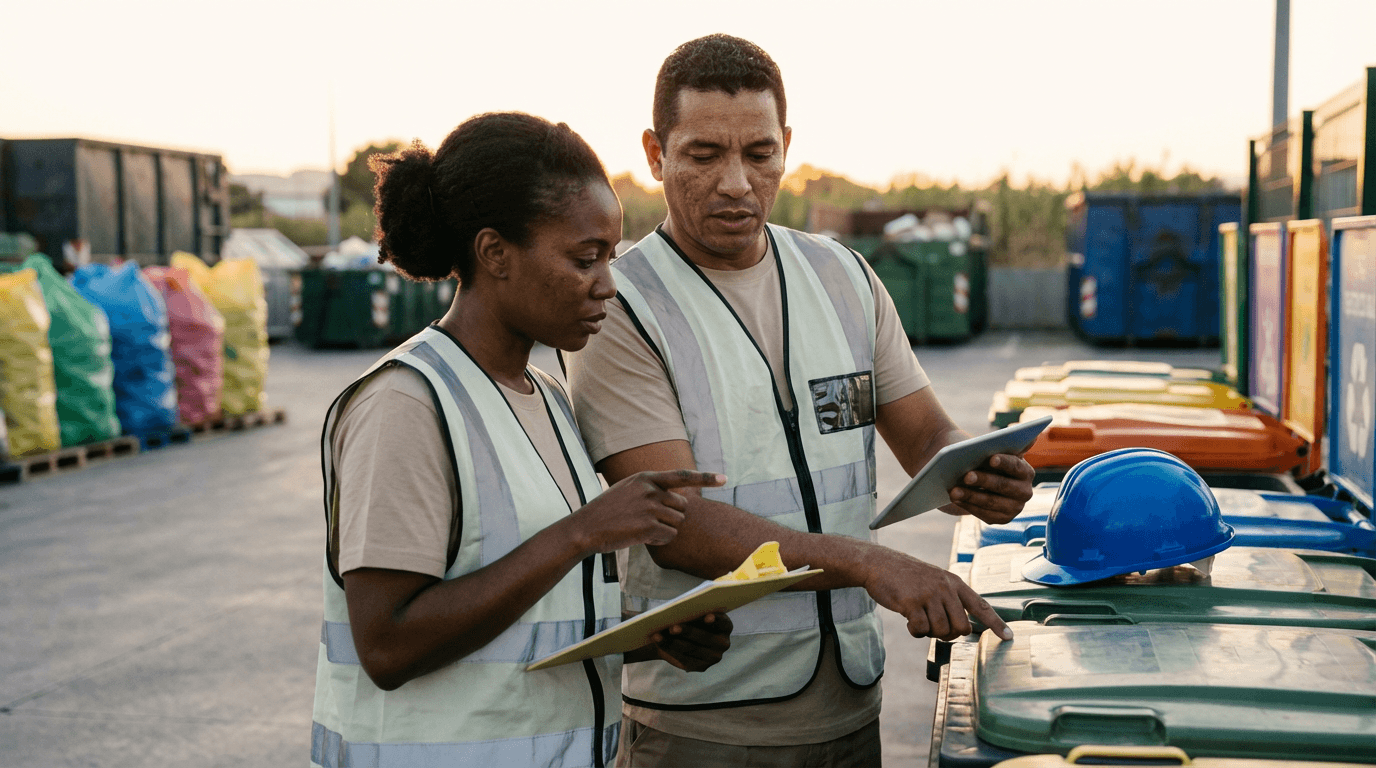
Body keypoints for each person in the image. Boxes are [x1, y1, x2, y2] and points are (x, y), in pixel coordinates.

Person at [566, 35, 1035, 766]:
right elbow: (675, 522)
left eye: (758, 153)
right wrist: (870, 564)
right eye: (703, 155)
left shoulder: (842, 275)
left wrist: (974, 475)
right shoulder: (618, 308)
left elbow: (926, 437)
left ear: (787, 145)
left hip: (849, 703)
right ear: (655, 156)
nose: (735, 183)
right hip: (706, 717)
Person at [310, 112, 734, 768]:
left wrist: (647, 639)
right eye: (583, 258)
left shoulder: (549, 397)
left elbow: (524, 624)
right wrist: (582, 532)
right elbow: (388, 646)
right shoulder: (407, 403)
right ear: (495, 253)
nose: (606, 285)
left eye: (610, 258)